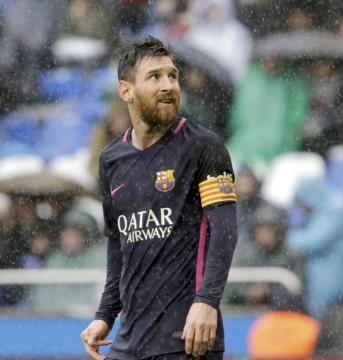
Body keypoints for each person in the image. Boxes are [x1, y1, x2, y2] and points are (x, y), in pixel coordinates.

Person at [80, 37, 238, 360]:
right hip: (130, 341)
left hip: (187, 337)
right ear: (126, 91)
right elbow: (118, 245)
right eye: (155, 77)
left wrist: (207, 302)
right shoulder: (111, 160)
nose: (168, 85)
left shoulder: (203, 148)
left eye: (172, 76)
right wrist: (105, 314)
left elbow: (225, 231)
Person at [288, 178, 343, 318]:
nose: (302, 209)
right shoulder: (323, 208)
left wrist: (284, 238)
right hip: (321, 272)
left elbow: (314, 241)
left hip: (333, 273)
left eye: (302, 203)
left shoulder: (336, 209)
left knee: (325, 315)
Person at [226, 204, 304, 311]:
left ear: (279, 231)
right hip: (243, 312)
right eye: (261, 229)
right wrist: (248, 292)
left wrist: (269, 293)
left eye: (270, 229)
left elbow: (298, 289)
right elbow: (228, 289)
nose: (266, 234)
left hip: (280, 314)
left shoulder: (292, 256)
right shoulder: (243, 255)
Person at [29, 211, 106, 316]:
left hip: (87, 319)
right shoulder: (54, 260)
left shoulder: (98, 258)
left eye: (75, 234)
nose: (69, 239)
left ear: (86, 236)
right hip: (54, 321)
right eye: (67, 234)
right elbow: (41, 299)